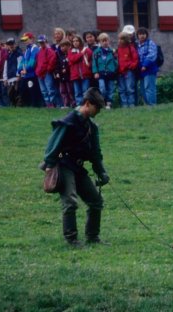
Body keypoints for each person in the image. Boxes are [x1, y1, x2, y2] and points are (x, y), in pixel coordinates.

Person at [41, 87, 110, 246]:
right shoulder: (68, 122)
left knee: (96, 201)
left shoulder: (92, 127)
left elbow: (95, 153)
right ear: (87, 103)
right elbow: (53, 147)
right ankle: (71, 239)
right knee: (70, 202)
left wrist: (101, 172)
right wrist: (51, 165)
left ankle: (93, 237)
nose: (99, 111)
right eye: (97, 107)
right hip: (64, 164)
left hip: (78, 167)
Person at [92, 32, 117, 109]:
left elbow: (116, 61)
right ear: (100, 42)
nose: (105, 42)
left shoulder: (112, 51)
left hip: (110, 73)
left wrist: (114, 69)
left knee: (111, 88)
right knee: (102, 88)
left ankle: (109, 102)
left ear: (109, 41)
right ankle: (103, 102)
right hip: (101, 73)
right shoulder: (96, 52)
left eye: (106, 40)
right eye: (103, 41)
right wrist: (95, 72)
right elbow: (94, 63)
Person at [136, 27, 158, 106]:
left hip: (149, 69)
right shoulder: (137, 45)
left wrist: (145, 65)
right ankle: (147, 104)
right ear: (137, 35)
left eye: (143, 34)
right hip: (141, 70)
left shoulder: (150, 43)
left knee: (149, 88)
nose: (142, 36)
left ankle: (152, 105)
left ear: (146, 35)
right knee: (142, 89)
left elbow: (152, 55)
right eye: (140, 34)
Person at [18, 32, 42, 107]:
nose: (25, 41)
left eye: (26, 39)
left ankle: (35, 105)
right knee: (24, 89)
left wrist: (26, 70)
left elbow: (32, 61)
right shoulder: (27, 50)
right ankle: (27, 104)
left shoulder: (35, 49)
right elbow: (23, 61)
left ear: (31, 39)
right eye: (24, 40)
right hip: (26, 74)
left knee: (32, 90)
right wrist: (19, 70)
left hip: (32, 74)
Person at [117, 32, 139, 108]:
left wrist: (130, 67)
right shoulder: (118, 49)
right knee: (122, 89)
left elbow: (135, 59)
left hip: (128, 72)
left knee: (130, 88)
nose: (119, 40)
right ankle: (124, 104)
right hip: (120, 72)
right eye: (119, 39)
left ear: (126, 40)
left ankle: (131, 104)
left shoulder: (131, 48)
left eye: (121, 39)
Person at [69, 35, 92, 106]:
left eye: (77, 41)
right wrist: (80, 54)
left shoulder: (87, 50)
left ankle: (85, 105)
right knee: (77, 92)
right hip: (75, 75)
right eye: (73, 41)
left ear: (80, 41)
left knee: (85, 91)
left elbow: (90, 59)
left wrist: (88, 67)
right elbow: (72, 59)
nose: (75, 43)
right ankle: (79, 105)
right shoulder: (71, 51)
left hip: (85, 74)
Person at [55, 39, 75, 108]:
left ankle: (72, 103)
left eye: (64, 46)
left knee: (70, 91)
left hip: (69, 76)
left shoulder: (71, 55)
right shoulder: (60, 56)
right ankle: (66, 104)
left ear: (69, 46)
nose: (62, 48)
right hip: (61, 76)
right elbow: (57, 65)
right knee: (63, 91)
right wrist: (57, 72)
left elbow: (71, 64)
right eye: (61, 46)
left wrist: (66, 69)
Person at [3, 37, 23, 106]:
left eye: (12, 44)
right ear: (7, 46)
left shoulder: (18, 53)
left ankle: (18, 106)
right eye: (9, 44)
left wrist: (18, 75)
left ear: (15, 44)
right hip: (9, 77)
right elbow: (5, 67)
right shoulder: (7, 55)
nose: (11, 46)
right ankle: (13, 105)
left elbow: (20, 65)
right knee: (10, 93)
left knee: (17, 92)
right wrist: (5, 78)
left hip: (16, 77)